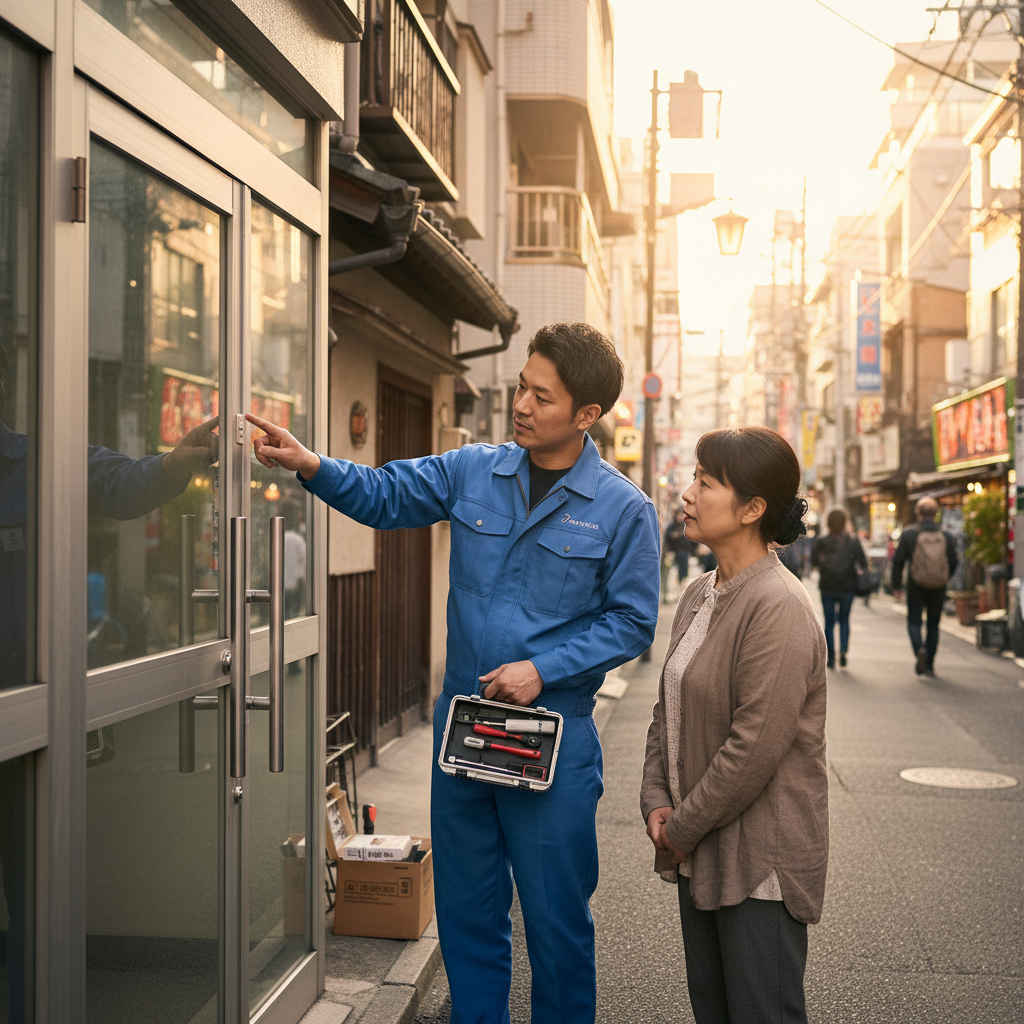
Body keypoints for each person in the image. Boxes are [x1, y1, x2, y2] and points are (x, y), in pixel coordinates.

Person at [247, 322, 661, 1024]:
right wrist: (310, 464)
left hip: (550, 743)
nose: (521, 405)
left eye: (542, 395)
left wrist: (543, 668)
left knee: (557, 931)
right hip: (465, 738)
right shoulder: (475, 470)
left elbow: (632, 620)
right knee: (469, 920)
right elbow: (382, 494)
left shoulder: (624, 511)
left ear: (587, 415)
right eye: (522, 387)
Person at [641, 426, 829, 1024]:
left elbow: (754, 748)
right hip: (700, 844)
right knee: (714, 1011)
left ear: (752, 509)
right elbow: (666, 708)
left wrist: (682, 825)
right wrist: (655, 798)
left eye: (706, 482)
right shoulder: (701, 592)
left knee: (761, 1012)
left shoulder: (778, 605)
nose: (688, 494)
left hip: (760, 863)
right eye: (693, 478)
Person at [891, 497, 958, 676]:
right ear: (936, 514)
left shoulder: (909, 534)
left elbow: (898, 561)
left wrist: (896, 586)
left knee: (914, 621)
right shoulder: (946, 535)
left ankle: (919, 650)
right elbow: (954, 561)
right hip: (938, 586)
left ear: (918, 513)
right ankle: (929, 663)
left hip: (916, 584)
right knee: (933, 625)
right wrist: (944, 577)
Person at [811, 508, 867, 669]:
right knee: (844, 620)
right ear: (845, 522)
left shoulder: (822, 541)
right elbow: (862, 562)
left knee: (829, 622)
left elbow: (814, 563)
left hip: (827, 586)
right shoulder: (852, 541)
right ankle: (843, 651)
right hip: (847, 586)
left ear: (828, 522)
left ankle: (831, 656)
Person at [664, 507, 695, 598]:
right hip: (674, 553)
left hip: (685, 553)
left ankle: (683, 582)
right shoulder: (671, 528)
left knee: (683, 558)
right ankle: (680, 583)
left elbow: (692, 542)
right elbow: (667, 541)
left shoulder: (687, 526)